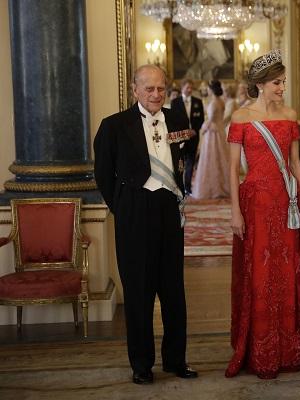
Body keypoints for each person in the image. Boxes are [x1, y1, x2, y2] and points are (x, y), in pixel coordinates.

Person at [93, 65, 198, 385]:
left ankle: (176, 360)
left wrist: (183, 187)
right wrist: (123, 207)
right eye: (149, 89)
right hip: (134, 213)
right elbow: (103, 174)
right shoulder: (114, 126)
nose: (156, 95)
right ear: (135, 90)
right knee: (138, 293)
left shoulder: (179, 120)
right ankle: (141, 365)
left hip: (169, 209)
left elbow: (188, 155)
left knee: (173, 290)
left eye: (161, 89)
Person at [226, 49, 300, 379]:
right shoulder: (241, 117)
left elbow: (295, 164)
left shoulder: (290, 114)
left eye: (283, 82)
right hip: (255, 203)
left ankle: (290, 348)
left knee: (287, 270)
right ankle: (261, 348)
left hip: (286, 202)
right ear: (261, 85)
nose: (282, 87)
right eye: (277, 83)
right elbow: (233, 169)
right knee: (260, 274)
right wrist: (235, 212)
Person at [191, 79, 230, 199]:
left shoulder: (214, 102)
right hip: (219, 131)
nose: (206, 90)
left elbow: (211, 119)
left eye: (208, 88)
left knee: (211, 159)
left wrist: (202, 129)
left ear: (211, 89)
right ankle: (222, 186)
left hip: (212, 134)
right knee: (220, 159)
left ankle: (212, 189)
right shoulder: (221, 101)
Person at [170, 79, 204, 195]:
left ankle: (188, 188)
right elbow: (173, 120)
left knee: (190, 162)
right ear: (182, 87)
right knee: (180, 163)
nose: (189, 90)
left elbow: (201, 119)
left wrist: (194, 130)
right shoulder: (175, 102)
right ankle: (179, 186)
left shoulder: (198, 102)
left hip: (194, 137)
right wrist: (183, 132)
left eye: (191, 88)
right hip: (181, 137)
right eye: (187, 87)